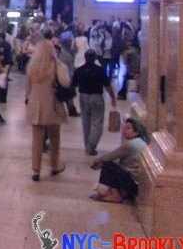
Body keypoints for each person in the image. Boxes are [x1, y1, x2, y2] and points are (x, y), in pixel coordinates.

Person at [25, 39, 70, 181]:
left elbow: (28, 89)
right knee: (54, 138)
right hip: (52, 106)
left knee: (37, 140)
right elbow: (66, 82)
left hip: (35, 106)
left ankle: (36, 170)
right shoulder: (57, 65)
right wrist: (61, 65)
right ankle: (54, 165)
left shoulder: (32, 66)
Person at [90, 118, 149, 203]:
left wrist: (96, 162)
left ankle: (115, 195)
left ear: (137, 132)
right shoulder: (141, 142)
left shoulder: (131, 145)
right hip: (135, 183)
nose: (124, 130)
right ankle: (108, 193)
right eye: (124, 127)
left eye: (128, 128)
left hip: (132, 184)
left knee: (108, 164)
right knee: (113, 166)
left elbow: (109, 157)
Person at [72, 50, 117, 155]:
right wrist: (113, 97)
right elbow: (107, 85)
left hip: (83, 97)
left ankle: (87, 145)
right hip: (97, 97)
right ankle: (91, 146)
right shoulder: (100, 70)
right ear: (95, 58)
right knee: (97, 123)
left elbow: (73, 85)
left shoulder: (79, 70)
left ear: (85, 57)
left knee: (86, 122)